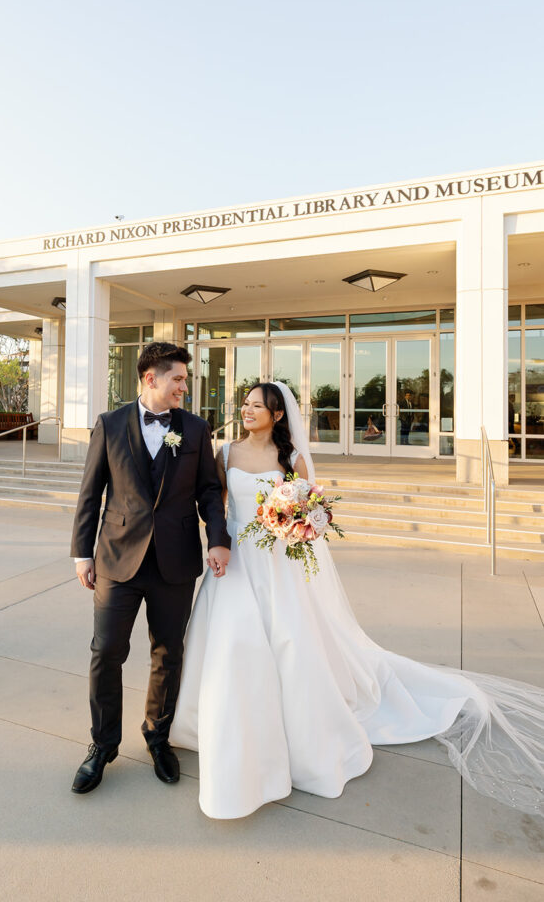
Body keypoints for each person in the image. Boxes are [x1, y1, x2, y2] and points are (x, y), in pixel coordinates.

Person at [170, 381, 544, 820]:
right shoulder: (226, 454)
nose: (248, 411)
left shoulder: (293, 459)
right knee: (232, 644)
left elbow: (310, 513)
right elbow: (217, 503)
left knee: (290, 644)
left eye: (258, 406)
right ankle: (224, 728)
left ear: (277, 416)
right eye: (246, 404)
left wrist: (296, 527)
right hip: (235, 562)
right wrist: (217, 539)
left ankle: (299, 736)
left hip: (279, 566)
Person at [70, 342, 231, 794]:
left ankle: (158, 737)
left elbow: (208, 492)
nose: (185, 386)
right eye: (178, 378)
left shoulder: (197, 430)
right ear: (150, 378)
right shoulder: (110, 424)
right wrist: (83, 554)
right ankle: (102, 745)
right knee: (106, 653)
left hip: (175, 561)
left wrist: (218, 539)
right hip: (117, 559)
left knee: (168, 653)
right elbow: (90, 494)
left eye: (185, 379)